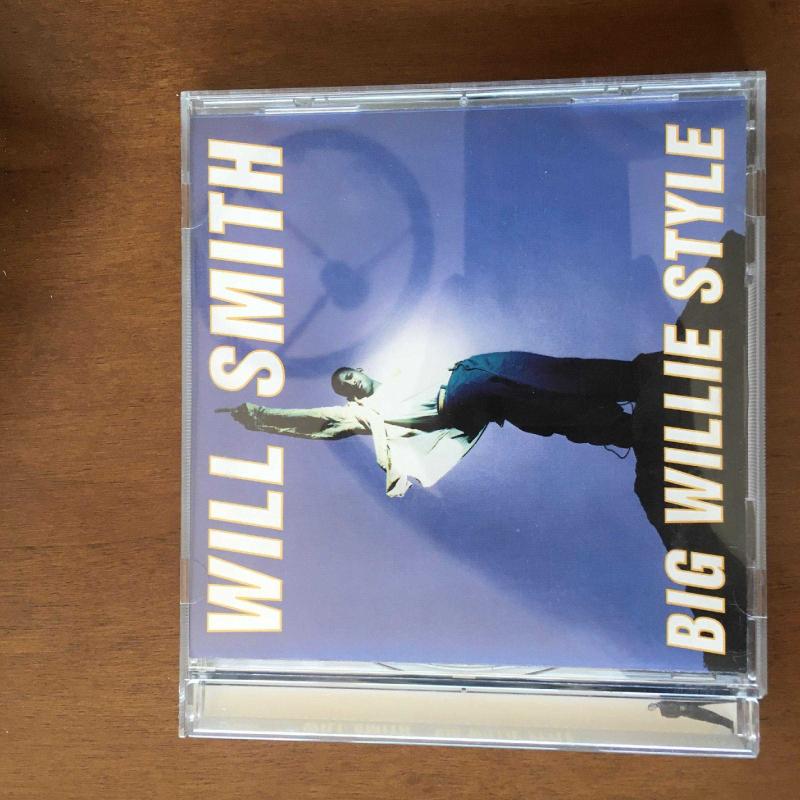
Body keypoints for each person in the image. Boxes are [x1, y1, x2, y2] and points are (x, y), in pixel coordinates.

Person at [222, 351, 648, 497]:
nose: (350, 382)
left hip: (469, 377)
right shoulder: (366, 412)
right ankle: (619, 417)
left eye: (349, 374)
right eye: (344, 386)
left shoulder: (403, 368)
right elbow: (318, 422)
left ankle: (622, 404)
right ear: (350, 397)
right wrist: (260, 417)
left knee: (535, 385)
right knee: (508, 387)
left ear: (361, 370)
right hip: (460, 397)